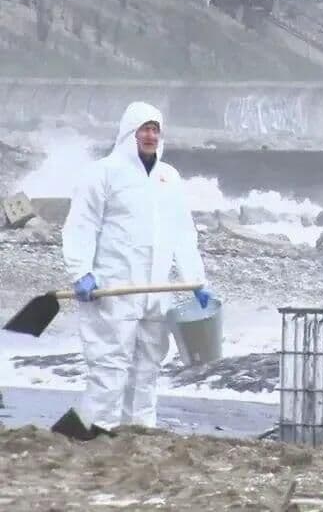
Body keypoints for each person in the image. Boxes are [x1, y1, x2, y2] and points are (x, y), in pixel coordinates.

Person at [62, 101, 213, 431]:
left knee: (147, 369)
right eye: (143, 129)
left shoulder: (168, 178)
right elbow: (82, 226)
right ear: (129, 132)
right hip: (113, 291)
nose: (149, 136)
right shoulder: (102, 174)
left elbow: (182, 233)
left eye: (155, 129)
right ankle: (97, 433)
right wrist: (81, 272)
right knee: (109, 368)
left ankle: (139, 434)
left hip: (154, 294)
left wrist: (195, 280)